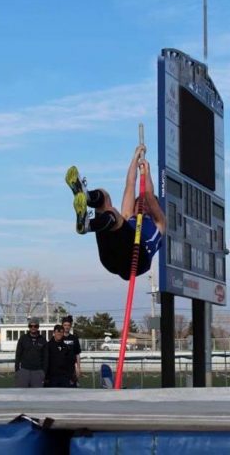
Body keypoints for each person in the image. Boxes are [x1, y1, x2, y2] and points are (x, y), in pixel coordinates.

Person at [66, 144, 166, 281]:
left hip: (136, 261)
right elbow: (130, 184)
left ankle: (88, 225)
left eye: (149, 205)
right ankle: (86, 197)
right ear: (136, 204)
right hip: (110, 258)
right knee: (104, 197)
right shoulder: (130, 216)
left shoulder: (159, 223)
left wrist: (146, 172)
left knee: (114, 215)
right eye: (140, 203)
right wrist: (135, 156)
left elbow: (148, 193)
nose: (144, 207)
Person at [14, 318, 47, 388]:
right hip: (24, 371)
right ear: (29, 327)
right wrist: (17, 370)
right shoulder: (23, 339)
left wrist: (44, 372)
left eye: (35, 326)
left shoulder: (43, 340)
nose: (33, 328)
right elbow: (18, 355)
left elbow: (46, 357)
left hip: (38, 372)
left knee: (37, 396)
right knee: (21, 394)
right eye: (31, 326)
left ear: (38, 327)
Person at [61, 315, 82, 385]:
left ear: (70, 326)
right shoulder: (58, 338)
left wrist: (78, 368)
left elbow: (77, 354)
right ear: (62, 326)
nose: (66, 327)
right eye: (65, 325)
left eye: (68, 325)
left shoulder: (74, 338)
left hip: (71, 369)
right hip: (60, 369)